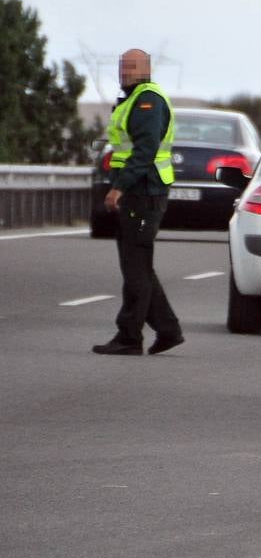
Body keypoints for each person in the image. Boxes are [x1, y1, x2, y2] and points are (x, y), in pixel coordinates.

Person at [92, 49, 185, 356]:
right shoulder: (132, 99)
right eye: (123, 66)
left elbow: (145, 150)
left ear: (146, 69)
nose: (126, 71)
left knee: (136, 268)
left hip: (144, 191)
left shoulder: (148, 100)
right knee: (139, 265)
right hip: (140, 191)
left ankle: (130, 337)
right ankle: (168, 330)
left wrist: (119, 187)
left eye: (133, 66)